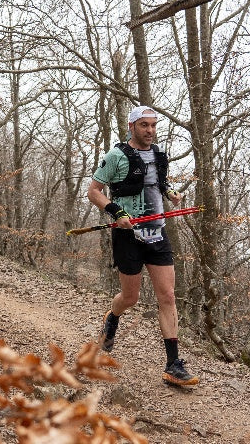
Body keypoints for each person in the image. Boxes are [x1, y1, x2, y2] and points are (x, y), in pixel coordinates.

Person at [87, 105, 198, 386]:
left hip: (157, 233)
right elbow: (94, 192)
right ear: (132, 126)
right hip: (128, 235)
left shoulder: (159, 154)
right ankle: (112, 318)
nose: (150, 131)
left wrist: (171, 193)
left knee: (168, 296)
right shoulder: (115, 156)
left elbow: (159, 183)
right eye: (144, 125)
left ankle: (173, 365)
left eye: (153, 125)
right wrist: (116, 212)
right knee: (130, 298)